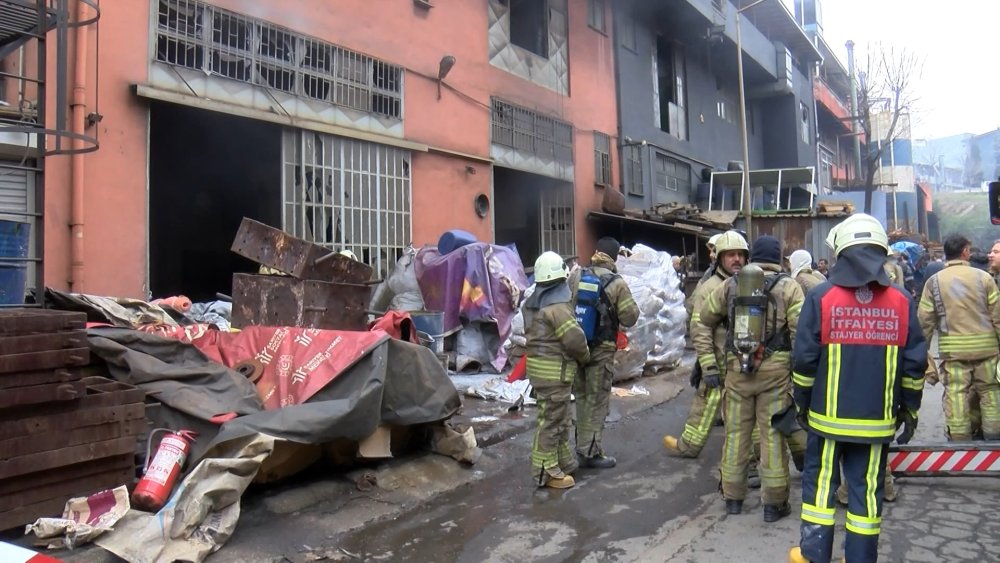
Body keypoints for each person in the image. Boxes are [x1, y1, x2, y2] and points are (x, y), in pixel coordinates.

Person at [789, 213, 926, 563]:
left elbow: (804, 361)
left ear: (840, 253)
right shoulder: (901, 301)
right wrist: (910, 410)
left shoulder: (821, 297)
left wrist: (801, 403)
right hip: (876, 423)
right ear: (881, 253)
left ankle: (814, 555)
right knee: (866, 494)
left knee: (820, 488)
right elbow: (914, 366)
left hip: (826, 421)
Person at [694, 235, 804, 522]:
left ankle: (733, 498)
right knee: (772, 435)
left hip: (737, 371)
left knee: (735, 435)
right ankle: (774, 504)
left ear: (752, 256)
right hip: (776, 375)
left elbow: (704, 318)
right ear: (778, 258)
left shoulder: (732, 284)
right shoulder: (789, 286)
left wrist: (711, 361)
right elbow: (802, 333)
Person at [664, 231, 748, 458]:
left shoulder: (749, 283)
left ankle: (747, 458)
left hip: (744, 362)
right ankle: (688, 446)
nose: (737, 259)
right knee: (706, 402)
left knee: (745, 411)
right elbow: (700, 328)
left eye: (740, 254)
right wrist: (708, 365)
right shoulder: (709, 288)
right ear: (720, 258)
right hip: (719, 359)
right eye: (730, 255)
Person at [917, 234, 1000, 441]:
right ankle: (994, 436)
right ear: (965, 252)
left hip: (953, 354)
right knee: (990, 392)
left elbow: (925, 322)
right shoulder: (985, 278)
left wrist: (921, 353)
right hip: (987, 351)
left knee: (956, 394)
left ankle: (959, 438)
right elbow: (997, 317)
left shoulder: (934, 282)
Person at [569, 237, 640, 468]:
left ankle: (581, 446)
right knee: (597, 399)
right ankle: (591, 453)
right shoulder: (617, 283)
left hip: (578, 347)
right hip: (602, 350)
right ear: (615, 257)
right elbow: (630, 317)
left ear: (596, 251)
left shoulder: (577, 276)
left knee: (581, 397)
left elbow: (566, 307)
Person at [523, 251, 591, 489]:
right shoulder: (558, 308)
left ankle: (563, 460)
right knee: (552, 421)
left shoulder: (532, 305)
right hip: (555, 374)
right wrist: (585, 357)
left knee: (560, 417)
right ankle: (545, 472)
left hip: (541, 372)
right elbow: (574, 339)